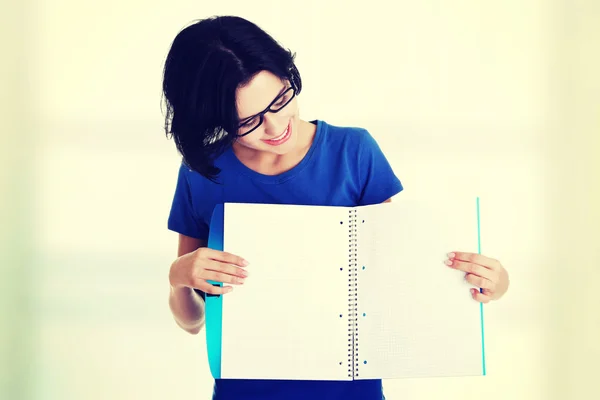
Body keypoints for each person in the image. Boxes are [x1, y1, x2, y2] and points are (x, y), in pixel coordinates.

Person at [162, 15, 510, 400]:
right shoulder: (201, 173)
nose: (276, 127)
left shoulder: (354, 153)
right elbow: (192, 323)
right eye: (248, 121)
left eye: (279, 99)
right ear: (214, 119)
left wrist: (492, 283)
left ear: (287, 74)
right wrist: (179, 277)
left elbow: (395, 285)